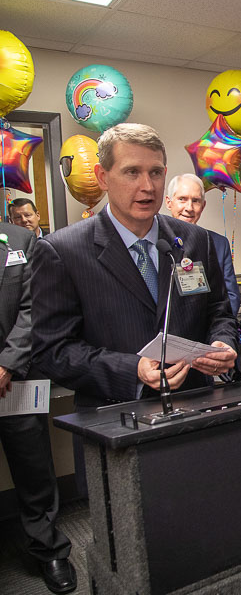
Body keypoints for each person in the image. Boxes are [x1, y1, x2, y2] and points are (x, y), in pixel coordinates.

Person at [31, 123, 238, 410]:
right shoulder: (63, 251)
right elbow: (51, 351)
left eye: (155, 172)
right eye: (132, 172)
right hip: (114, 418)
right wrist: (133, 370)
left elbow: (220, 312)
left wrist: (222, 343)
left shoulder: (194, 240)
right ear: (102, 177)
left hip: (194, 407)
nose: (147, 186)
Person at [0, 221, 76, 593]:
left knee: (34, 469)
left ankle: (49, 551)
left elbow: (34, 308)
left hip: (14, 380)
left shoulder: (20, 240)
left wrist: (6, 364)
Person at [165, 173, 241, 316]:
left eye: (196, 201)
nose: (189, 207)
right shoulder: (156, 243)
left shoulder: (219, 244)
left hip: (210, 334)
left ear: (203, 205)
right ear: (169, 202)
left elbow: (232, 298)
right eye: (182, 199)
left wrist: (218, 331)